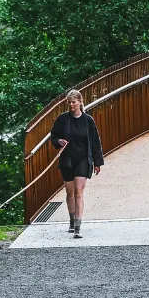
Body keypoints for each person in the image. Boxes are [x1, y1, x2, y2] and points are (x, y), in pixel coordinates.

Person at [50, 89, 105, 238]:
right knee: (70, 193)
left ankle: (78, 227)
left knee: (79, 192)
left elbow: (95, 142)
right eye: (69, 102)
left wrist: (98, 161)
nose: (71, 105)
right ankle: (72, 219)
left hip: (83, 159)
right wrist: (59, 141)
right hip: (67, 160)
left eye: (74, 102)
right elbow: (53, 136)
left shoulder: (88, 120)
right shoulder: (62, 119)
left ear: (80, 102)